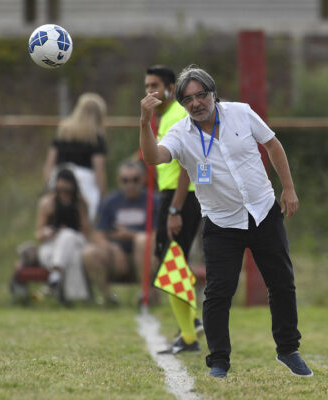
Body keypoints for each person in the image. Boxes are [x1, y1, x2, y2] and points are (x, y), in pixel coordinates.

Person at [139, 66, 312, 378]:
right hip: (221, 223)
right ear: (181, 104)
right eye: (188, 99)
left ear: (213, 93)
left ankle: (288, 350)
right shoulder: (180, 133)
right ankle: (218, 361)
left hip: (262, 211)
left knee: (282, 283)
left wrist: (288, 188)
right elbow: (153, 158)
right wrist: (143, 123)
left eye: (201, 95)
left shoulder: (241, 113)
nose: (196, 103)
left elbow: (272, 144)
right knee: (219, 293)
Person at [144, 65, 204, 354]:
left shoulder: (178, 115)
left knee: (171, 265)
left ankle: (190, 334)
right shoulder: (166, 116)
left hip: (181, 198)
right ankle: (192, 325)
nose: (149, 91)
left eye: (155, 85)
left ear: (170, 88)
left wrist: (175, 209)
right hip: (175, 197)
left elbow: (186, 167)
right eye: (146, 86)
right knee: (173, 264)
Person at [81, 161, 158, 305]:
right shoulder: (111, 202)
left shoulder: (153, 201)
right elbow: (98, 234)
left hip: (145, 256)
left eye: (135, 179)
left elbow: (157, 234)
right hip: (116, 257)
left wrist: (131, 235)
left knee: (142, 240)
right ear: (119, 181)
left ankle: (146, 294)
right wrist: (113, 249)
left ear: (143, 179)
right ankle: (106, 298)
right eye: (125, 180)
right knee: (89, 253)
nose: (130, 184)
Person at [43, 92, 108, 222]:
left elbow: (49, 163)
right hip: (84, 183)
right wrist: (102, 195)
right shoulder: (95, 137)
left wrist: (48, 185)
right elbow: (99, 170)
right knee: (82, 219)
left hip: (59, 177)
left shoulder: (63, 132)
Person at [36, 168, 92, 302]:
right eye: (60, 190)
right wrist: (47, 232)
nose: (64, 194)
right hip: (52, 245)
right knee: (73, 258)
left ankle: (55, 274)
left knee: (67, 234)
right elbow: (38, 233)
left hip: (76, 241)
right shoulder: (47, 203)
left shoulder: (81, 203)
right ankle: (75, 298)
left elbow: (85, 231)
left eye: (67, 191)